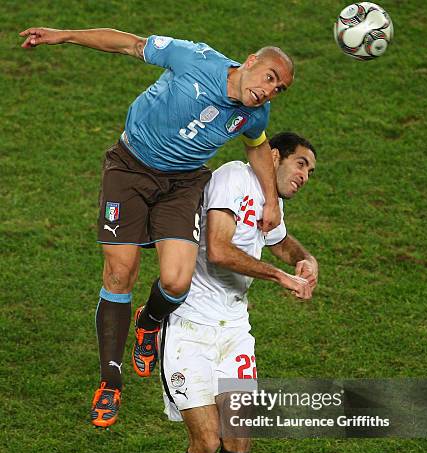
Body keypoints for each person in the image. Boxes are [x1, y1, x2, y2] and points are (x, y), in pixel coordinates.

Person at [19, 27, 295, 427]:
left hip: (181, 185)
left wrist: (271, 200)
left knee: (177, 281)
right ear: (251, 60)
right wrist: (62, 36)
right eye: (270, 77)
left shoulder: (255, 113)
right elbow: (129, 43)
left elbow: (256, 147)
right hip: (128, 169)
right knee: (119, 271)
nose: (270, 90)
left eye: (279, 88)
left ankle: (149, 321)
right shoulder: (194, 59)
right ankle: (110, 382)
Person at [159, 132, 318, 453]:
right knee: (206, 442)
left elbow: (280, 240)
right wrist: (279, 277)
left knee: (240, 437)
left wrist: (303, 258)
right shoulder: (234, 177)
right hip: (190, 328)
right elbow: (219, 248)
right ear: (273, 156)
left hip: (234, 332)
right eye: (301, 164)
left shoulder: (272, 202)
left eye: (310, 171)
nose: (306, 175)